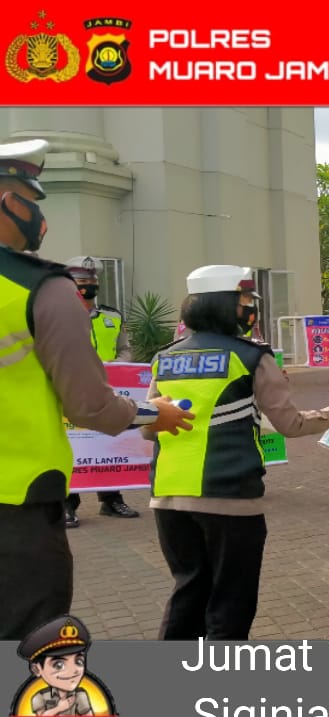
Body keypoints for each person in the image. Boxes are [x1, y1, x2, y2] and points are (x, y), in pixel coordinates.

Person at [0, 138, 193, 641]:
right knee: (27, 638)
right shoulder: (39, 287)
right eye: (32, 199)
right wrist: (154, 415)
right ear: (6, 200)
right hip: (14, 505)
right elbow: (89, 405)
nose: (38, 217)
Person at [145, 265, 329, 640]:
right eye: (245, 300)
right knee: (231, 599)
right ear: (223, 304)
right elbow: (290, 424)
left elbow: (150, 429)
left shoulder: (164, 358)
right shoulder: (251, 357)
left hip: (168, 496)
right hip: (229, 498)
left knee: (188, 591)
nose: (250, 309)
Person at [63, 256, 139, 527]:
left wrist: (118, 366)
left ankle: (111, 499)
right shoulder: (56, 316)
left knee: (107, 443)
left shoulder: (112, 316)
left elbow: (125, 348)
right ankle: (67, 505)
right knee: (74, 447)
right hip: (70, 392)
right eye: (82, 282)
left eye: (93, 282)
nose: (89, 287)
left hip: (108, 391)